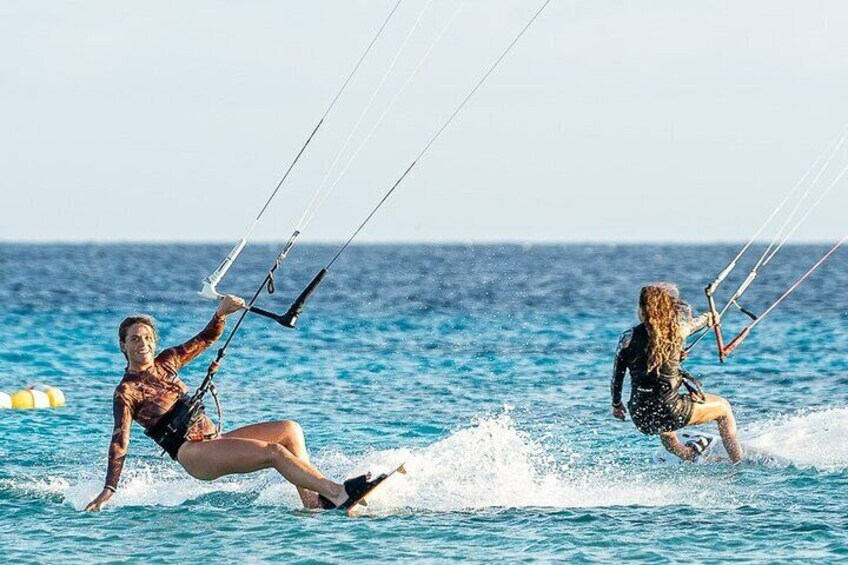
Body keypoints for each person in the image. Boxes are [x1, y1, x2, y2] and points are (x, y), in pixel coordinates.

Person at [85, 295, 380, 511]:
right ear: (123, 346)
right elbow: (119, 442)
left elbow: (206, 338)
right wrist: (109, 489)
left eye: (148, 338)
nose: (143, 344)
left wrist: (221, 313)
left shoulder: (167, 363)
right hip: (193, 453)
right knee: (275, 453)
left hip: (214, 439)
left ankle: (312, 504)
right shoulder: (126, 391)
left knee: (289, 430)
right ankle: (338, 493)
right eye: (135, 339)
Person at [610, 283, 743, 463]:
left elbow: (617, 376)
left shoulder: (627, 338)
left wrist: (617, 405)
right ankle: (737, 462)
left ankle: (692, 456)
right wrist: (710, 317)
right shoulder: (677, 331)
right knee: (724, 409)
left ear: (642, 309)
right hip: (672, 411)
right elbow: (698, 323)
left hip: (641, 415)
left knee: (665, 427)